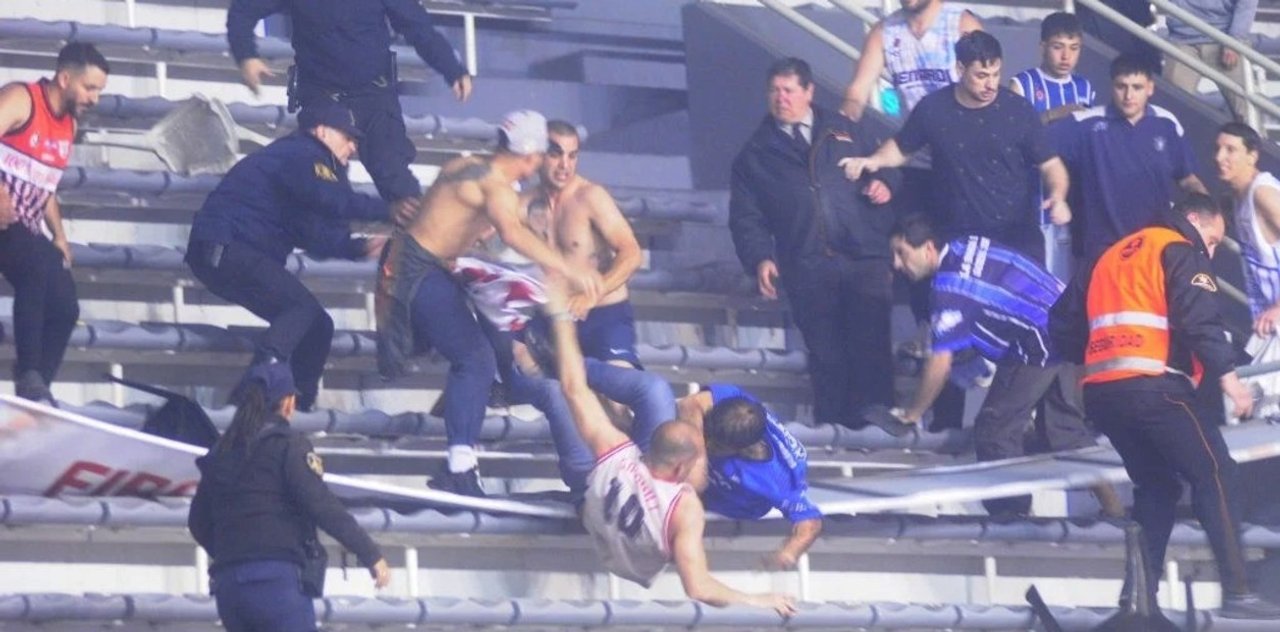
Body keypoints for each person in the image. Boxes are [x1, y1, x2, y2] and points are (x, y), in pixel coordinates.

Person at [1049, 194, 1280, 619]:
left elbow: (1061, 321)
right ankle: (1239, 592)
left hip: (1103, 393)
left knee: (1157, 487)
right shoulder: (1177, 247)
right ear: (1194, 220)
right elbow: (1198, 318)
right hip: (1156, 389)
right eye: (1211, 240)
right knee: (1215, 472)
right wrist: (1230, 379)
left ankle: (1137, 597)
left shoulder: (1109, 254)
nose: (1210, 252)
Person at [376, 110, 601, 497]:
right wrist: (568, 268)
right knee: (475, 359)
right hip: (416, 272)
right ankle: (460, 468)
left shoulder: (466, 165)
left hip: (434, 267)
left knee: (504, 342)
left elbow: (463, 231)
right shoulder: (495, 186)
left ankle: (487, 401)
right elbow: (512, 235)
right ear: (530, 156)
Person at [545, 275, 796, 617]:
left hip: (598, 486)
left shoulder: (617, 451)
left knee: (561, 393)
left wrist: (560, 317)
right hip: (612, 526)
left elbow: (574, 387)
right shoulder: (685, 507)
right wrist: (760, 599)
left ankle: (533, 363)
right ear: (681, 467)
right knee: (644, 392)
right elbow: (699, 587)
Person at [889, 214, 1122, 518]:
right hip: (1070, 322)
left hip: (1038, 341)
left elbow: (940, 363)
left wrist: (912, 413)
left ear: (929, 249)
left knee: (995, 428)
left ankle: (1012, 519)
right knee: (1063, 430)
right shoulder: (965, 245)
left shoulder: (949, 287)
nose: (896, 264)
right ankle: (1115, 510)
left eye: (901, 253)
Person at [729, 57, 899, 429]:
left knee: (872, 346)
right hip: (806, 264)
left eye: (789, 90)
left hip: (863, 257)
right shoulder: (753, 155)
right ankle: (836, 431)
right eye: (774, 90)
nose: (781, 98)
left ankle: (880, 432)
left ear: (809, 92)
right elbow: (746, 218)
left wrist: (884, 183)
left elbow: (889, 165)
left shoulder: (847, 129)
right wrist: (760, 258)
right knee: (827, 354)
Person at [187, 102, 390, 412]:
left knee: (318, 325)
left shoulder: (303, 165)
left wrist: (359, 248)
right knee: (299, 309)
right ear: (322, 130)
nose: (353, 147)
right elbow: (333, 199)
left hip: (225, 252)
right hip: (230, 246)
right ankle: (253, 397)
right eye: (348, 138)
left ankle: (296, 407)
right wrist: (393, 211)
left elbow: (310, 233)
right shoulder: (305, 154)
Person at [226, 0, 473, 221]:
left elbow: (418, 28)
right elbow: (243, 10)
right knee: (321, 183)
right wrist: (246, 56)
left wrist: (452, 69)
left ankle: (422, 256)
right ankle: (337, 249)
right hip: (324, 100)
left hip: (374, 97)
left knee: (396, 180)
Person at [189, 362, 391, 631]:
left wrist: (234, 552)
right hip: (276, 583)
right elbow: (321, 505)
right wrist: (370, 554)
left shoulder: (221, 453)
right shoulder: (288, 447)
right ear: (287, 403)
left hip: (229, 587)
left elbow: (198, 522)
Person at [843, 31, 1071, 262]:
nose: (990, 84)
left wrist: (1058, 196)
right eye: (981, 76)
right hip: (959, 238)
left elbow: (1051, 163)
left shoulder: (1018, 110)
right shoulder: (934, 108)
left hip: (1017, 236)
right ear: (960, 69)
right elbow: (902, 147)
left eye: (995, 74)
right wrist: (872, 161)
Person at [0, 43, 109, 404]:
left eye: (99, 91)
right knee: (38, 265)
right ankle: (29, 374)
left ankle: (36, 392)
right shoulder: (22, 99)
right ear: (65, 78)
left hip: (21, 227)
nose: (94, 98)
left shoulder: (68, 126)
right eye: (89, 88)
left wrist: (60, 235)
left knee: (66, 306)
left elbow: (45, 187)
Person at [1053, 54, 1207, 259]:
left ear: (1150, 88)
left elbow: (1188, 179)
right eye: (1121, 86)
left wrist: (1206, 212)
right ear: (1111, 86)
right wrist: (1058, 193)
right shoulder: (1085, 124)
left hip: (1154, 248)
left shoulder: (1166, 124)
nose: (1128, 95)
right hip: (1101, 251)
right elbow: (1040, 149)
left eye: (1137, 87)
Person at [522, 120, 644, 368]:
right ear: (538, 155)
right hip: (553, 319)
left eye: (572, 156)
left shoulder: (590, 196)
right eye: (555, 155)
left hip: (602, 317)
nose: (564, 165)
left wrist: (591, 295)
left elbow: (632, 254)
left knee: (618, 398)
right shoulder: (525, 203)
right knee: (500, 365)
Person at [676, 384, 822, 570]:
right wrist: (699, 455)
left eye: (716, 445)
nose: (707, 443)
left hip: (735, 499)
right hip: (705, 469)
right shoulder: (738, 405)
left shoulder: (778, 481)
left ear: (743, 450)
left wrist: (787, 553)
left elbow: (810, 523)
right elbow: (691, 403)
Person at [1011, 12, 1096, 280]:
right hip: (1030, 201)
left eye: (1074, 48)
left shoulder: (1084, 87)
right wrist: (1053, 115)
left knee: (1066, 283)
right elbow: (1010, 135)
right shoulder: (1022, 84)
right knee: (1032, 281)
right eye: (1058, 47)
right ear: (1042, 47)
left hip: (1071, 205)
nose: (1065, 57)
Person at [840, 0, 981, 122]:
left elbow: (986, 89)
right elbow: (857, 93)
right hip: (911, 143)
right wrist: (843, 126)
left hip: (963, 139)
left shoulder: (963, 26)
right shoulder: (883, 32)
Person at [1216, 122, 1280, 336]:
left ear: (1252, 156)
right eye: (1218, 149)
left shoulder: (1264, 194)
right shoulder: (1235, 199)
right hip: (1268, 319)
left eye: (1230, 150)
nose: (1219, 157)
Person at [1163, 0, 1256, 121]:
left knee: (1248, 114)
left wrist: (1234, 40)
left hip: (1225, 40)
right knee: (1172, 110)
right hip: (1182, 40)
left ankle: (1256, 140)